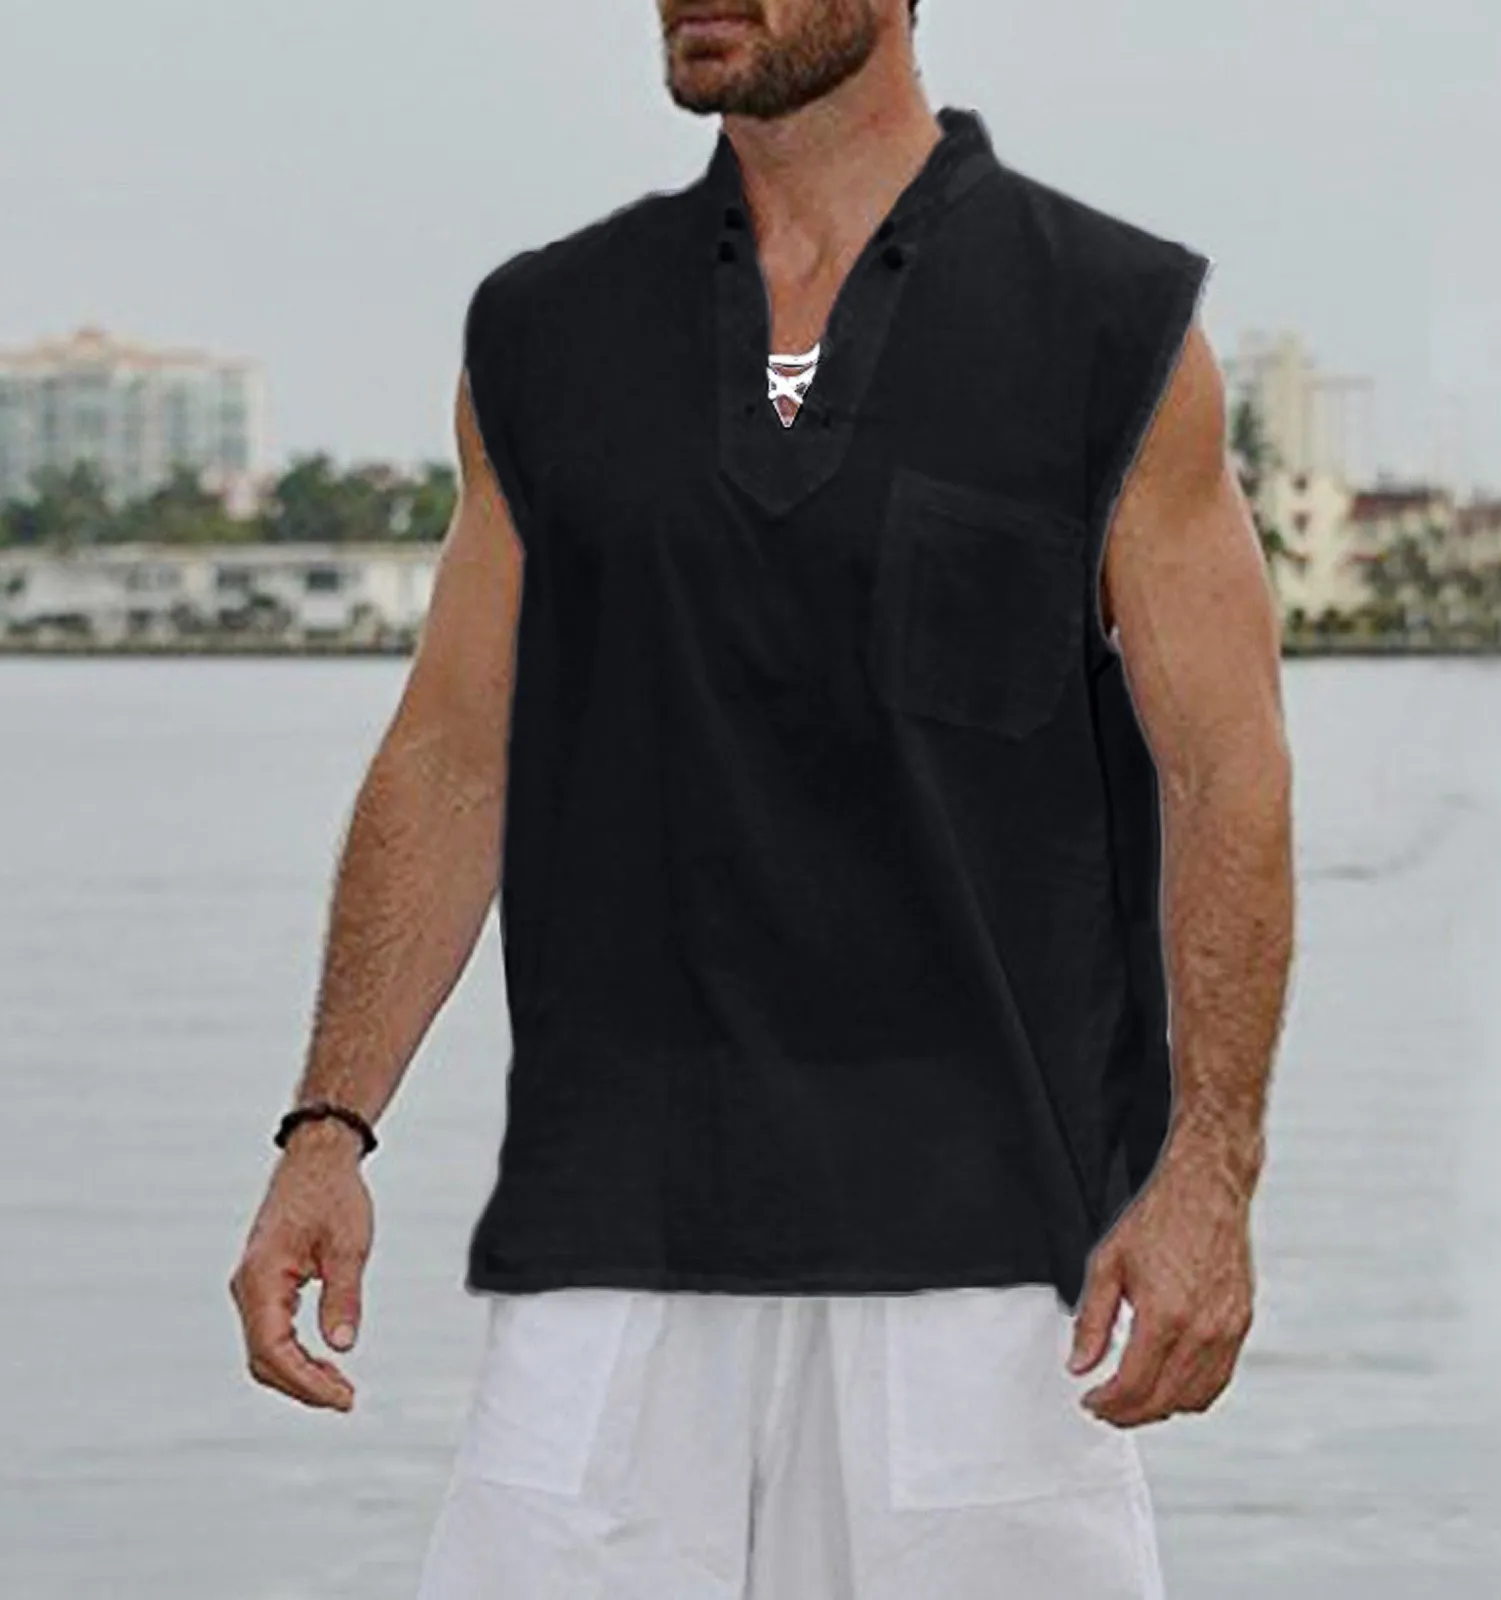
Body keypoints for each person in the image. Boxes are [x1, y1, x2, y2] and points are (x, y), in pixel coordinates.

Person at [227, 1, 1295, 1594]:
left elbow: (1229, 775)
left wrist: (1210, 1173)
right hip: (615, 1243)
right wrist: (327, 1129)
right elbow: (457, 750)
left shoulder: (1108, 327)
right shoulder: (550, 335)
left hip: (983, 1273)